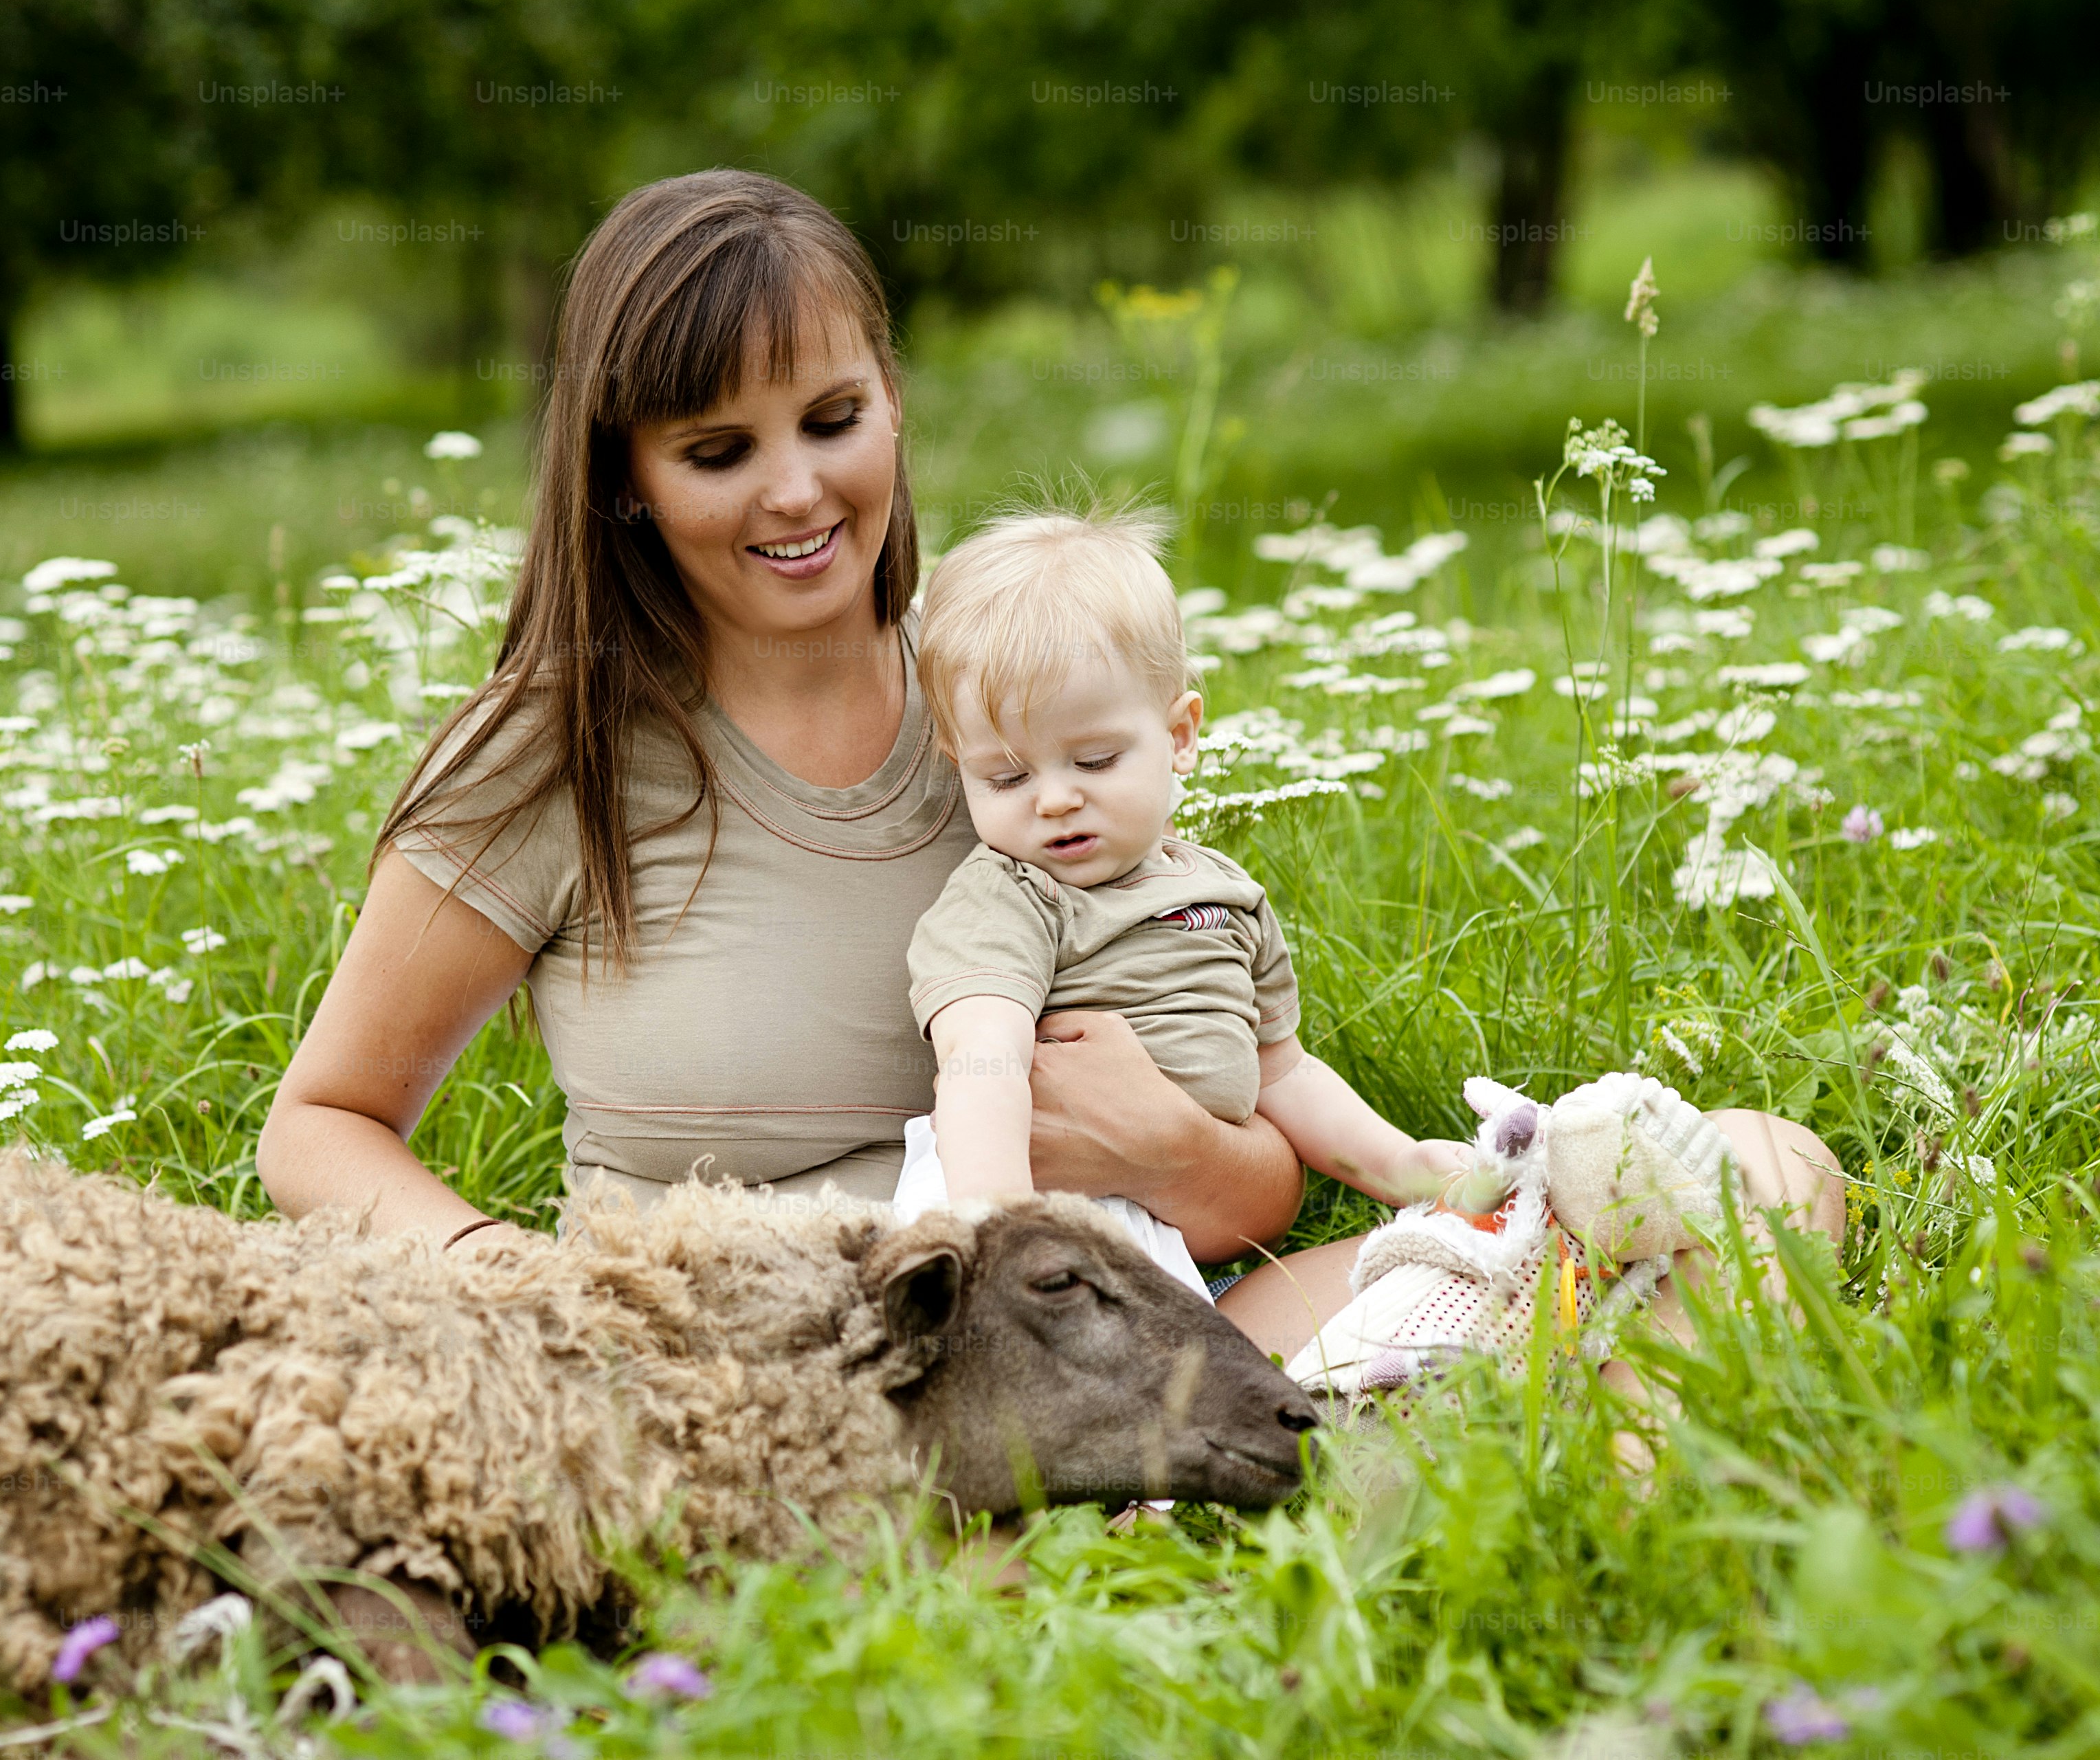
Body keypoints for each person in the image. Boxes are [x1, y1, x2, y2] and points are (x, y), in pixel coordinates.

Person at [255, 166, 1845, 1362]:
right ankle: (1486, 1461)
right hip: (800, 1379)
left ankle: (1491, 1457)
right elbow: (320, 1118)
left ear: (892, 398)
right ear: (625, 480)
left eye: (832, 415)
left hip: (1123, 1314)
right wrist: (533, 1289)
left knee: (1759, 1170)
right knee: (1566, 1345)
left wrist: (1181, 1150)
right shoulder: (558, 750)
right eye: (718, 450)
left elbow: (1240, 1170)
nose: (797, 492)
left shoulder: (1009, 716)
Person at [890, 505, 1507, 1301]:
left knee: (1437, 1301)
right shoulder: (1009, 894)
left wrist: (1400, 1164)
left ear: (1180, 735)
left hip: (1158, 1224)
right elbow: (982, 1066)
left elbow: (1280, 1071)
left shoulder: (1221, 893)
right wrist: (1005, 1228)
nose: (1052, 800)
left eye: (1095, 759)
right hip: (1012, 1198)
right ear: (960, 765)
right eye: (1006, 778)